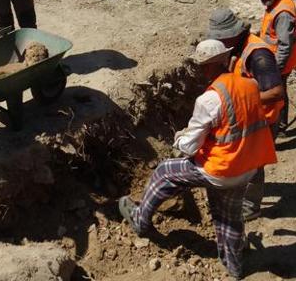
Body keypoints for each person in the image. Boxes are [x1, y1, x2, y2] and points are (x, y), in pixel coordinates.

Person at [118, 39, 277, 280]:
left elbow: (191, 145)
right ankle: (234, 266)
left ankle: (140, 220)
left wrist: (179, 137)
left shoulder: (209, 100)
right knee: (229, 215)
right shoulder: (250, 85)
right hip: (248, 167)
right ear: (225, 60)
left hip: (221, 170)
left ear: (205, 67)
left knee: (165, 171)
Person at [205, 8, 283, 221]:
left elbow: (276, 92)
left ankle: (250, 208)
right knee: (245, 161)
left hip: (263, 119)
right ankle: (239, 197)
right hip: (249, 116)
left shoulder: (259, 56)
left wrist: (244, 101)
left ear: (232, 33)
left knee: (253, 164)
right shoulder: (237, 47)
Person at [254, 0, 296, 136]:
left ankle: (277, 128)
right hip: (275, 59)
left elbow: (284, 45)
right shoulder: (276, 2)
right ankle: (281, 124)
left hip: (279, 62)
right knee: (280, 92)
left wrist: (275, 69)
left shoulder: (283, 13)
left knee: (276, 95)